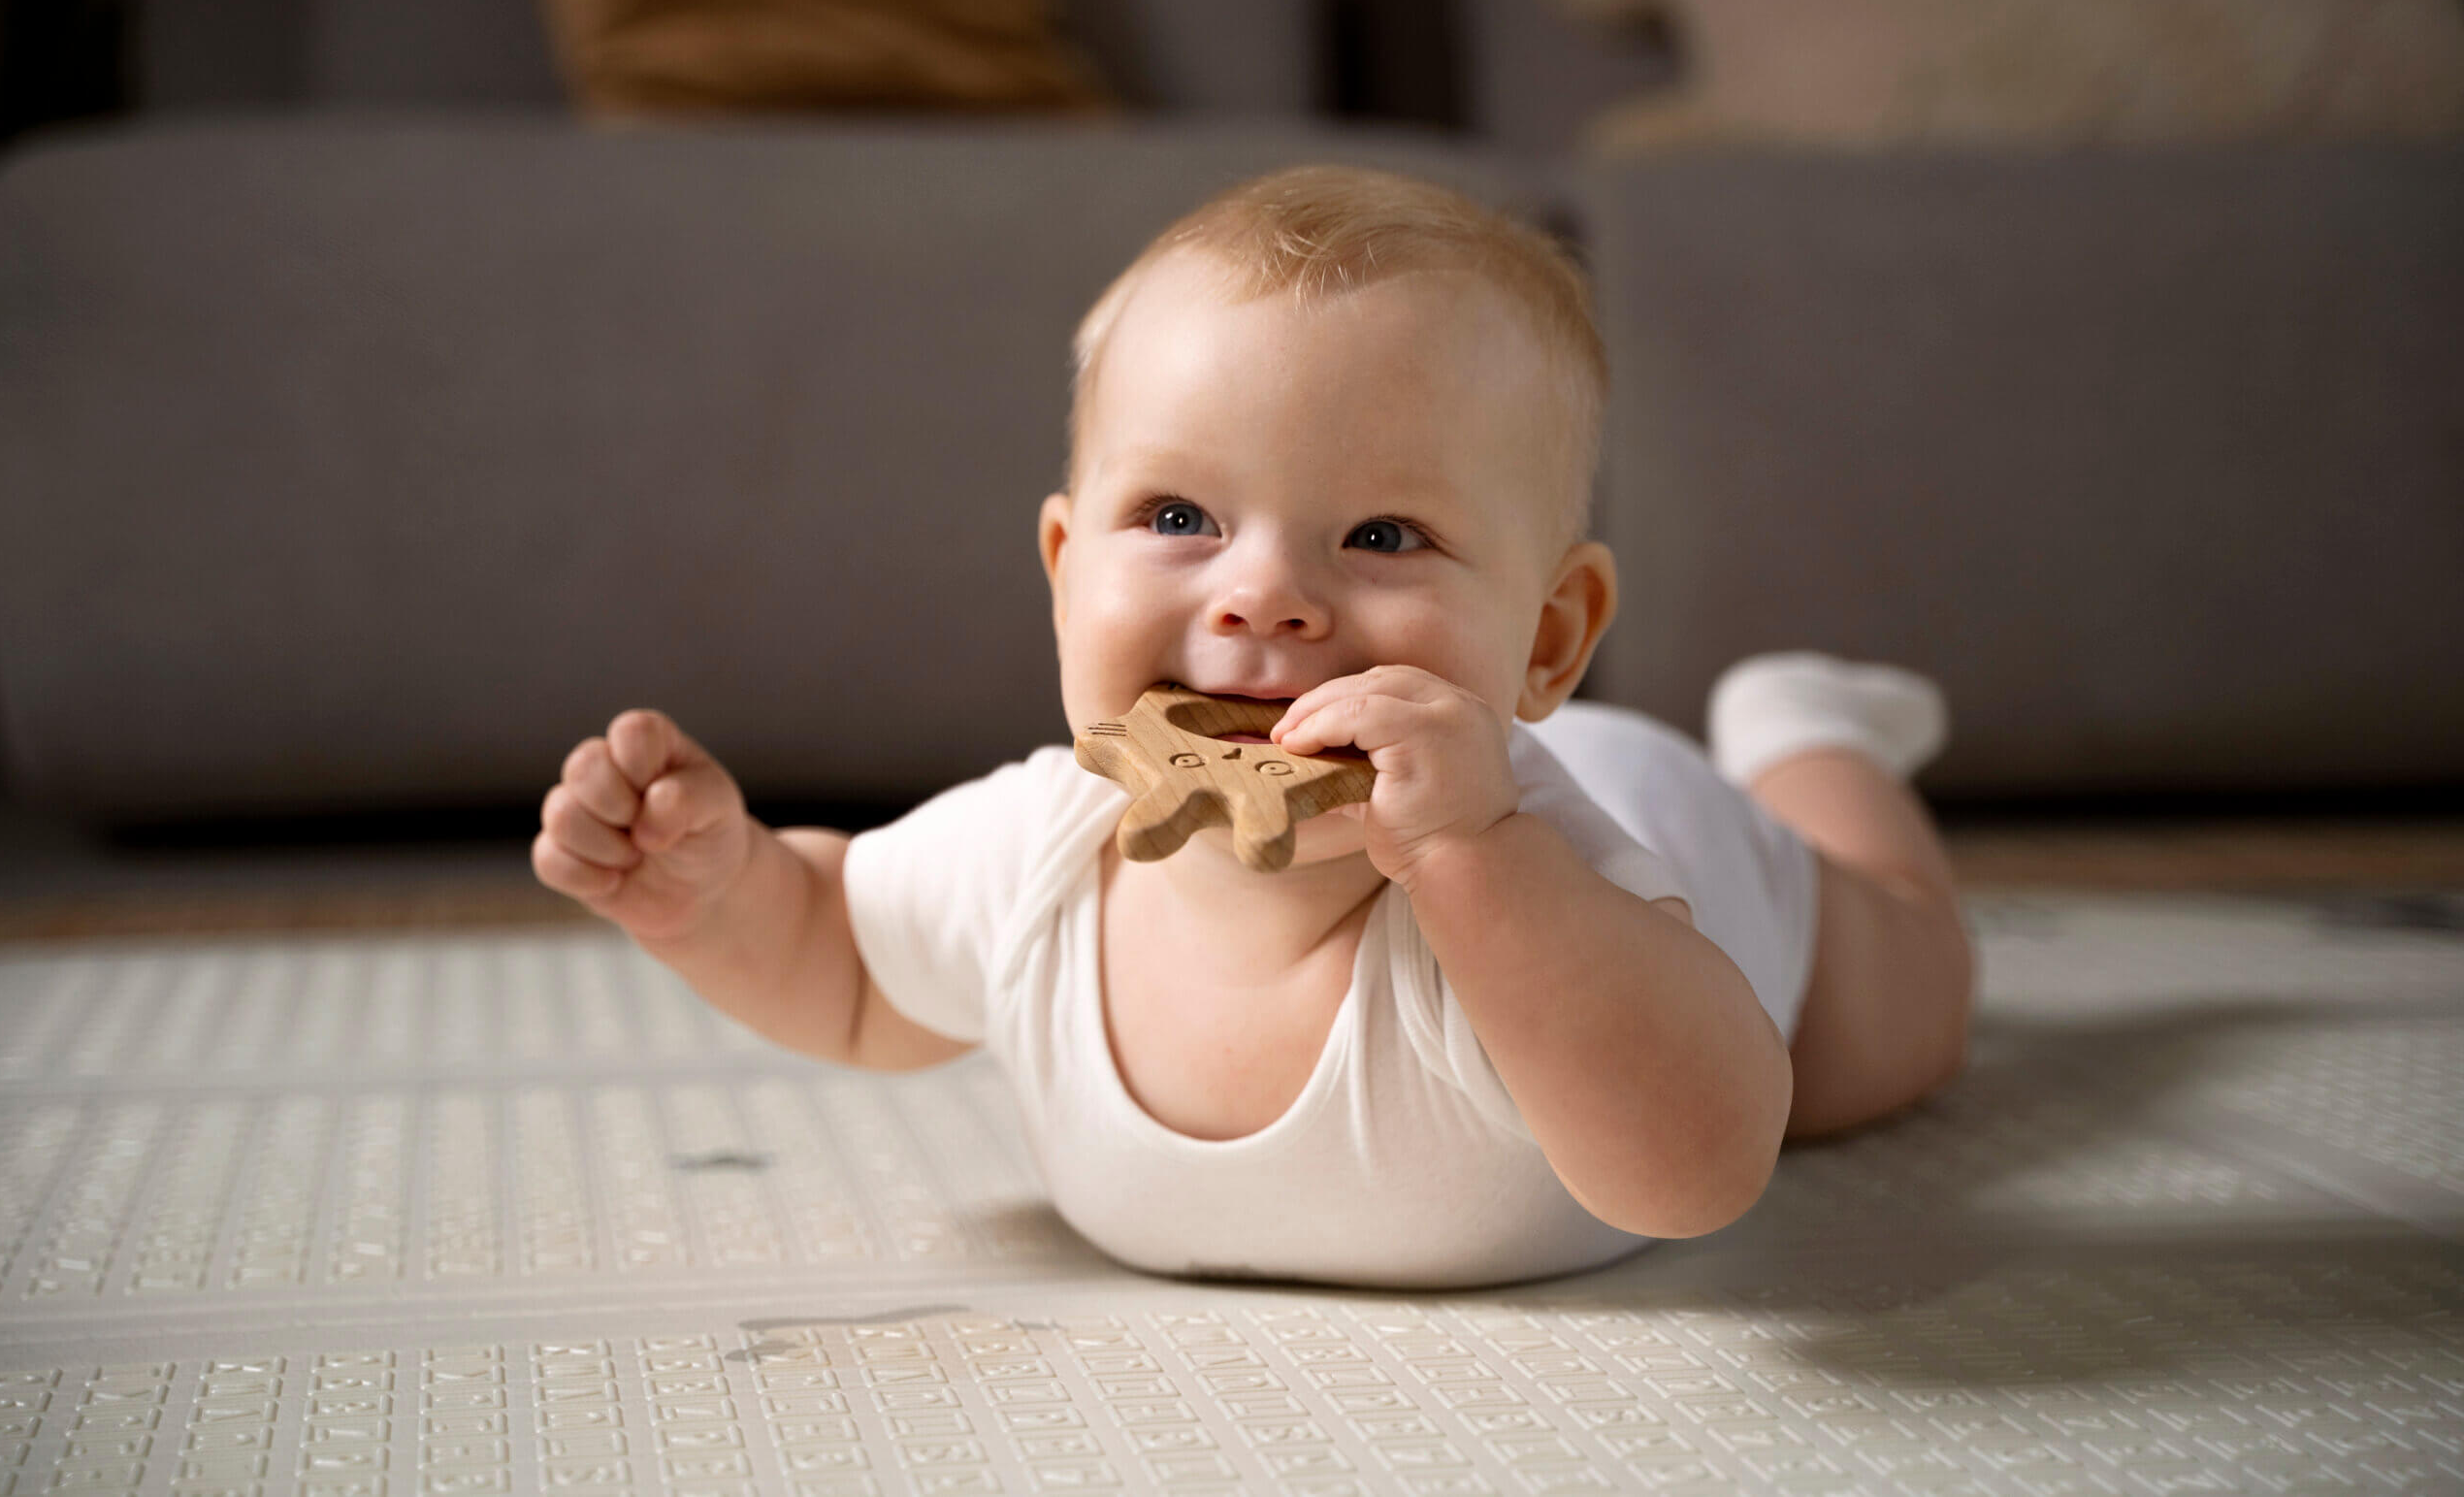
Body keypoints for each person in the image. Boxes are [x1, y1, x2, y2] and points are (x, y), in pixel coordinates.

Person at [531, 165, 1974, 1288]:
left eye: (1384, 533)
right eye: (1177, 518)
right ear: (1062, 571)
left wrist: (1476, 858)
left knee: (1904, 1015)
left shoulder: (1556, 873)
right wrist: (714, 895)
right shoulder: (1044, 851)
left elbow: (1704, 1167)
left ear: (1544, 641)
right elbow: (846, 964)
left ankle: (1805, 735)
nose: (1267, 597)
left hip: (1701, 858)